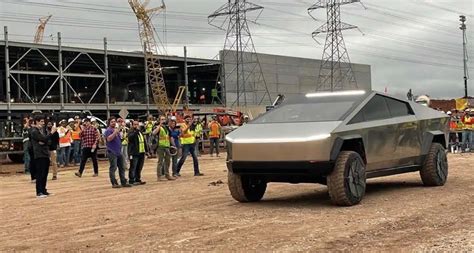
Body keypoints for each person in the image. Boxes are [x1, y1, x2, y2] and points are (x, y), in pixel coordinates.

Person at [30, 115, 56, 198]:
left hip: (45, 154)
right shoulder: (34, 131)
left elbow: (48, 141)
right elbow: (44, 139)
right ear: (37, 121)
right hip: (39, 154)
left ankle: (44, 190)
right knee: (40, 173)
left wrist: (44, 140)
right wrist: (50, 134)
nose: (43, 123)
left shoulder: (42, 131)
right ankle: (39, 192)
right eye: (41, 121)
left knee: (45, 173)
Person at [104, 117, 131, 188]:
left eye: (114, 121)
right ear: (109, 123)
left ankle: (123, 182)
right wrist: (115, 132)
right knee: (113, 167)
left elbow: (120, 139)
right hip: (112, 152)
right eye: (112, 122)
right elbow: (109, 139)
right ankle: (114, 183)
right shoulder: (108, 130)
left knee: (121, 167)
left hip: (119, 151)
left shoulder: (116, 130)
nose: (113, 123)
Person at [153, 116, 176, 181]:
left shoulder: (167, 128)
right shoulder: (158, 127)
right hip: (160, 146)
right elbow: (154, 133)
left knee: (168, 161)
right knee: (160, 162)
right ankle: (159, 176)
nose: (163, 120)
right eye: (162, 119)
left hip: (167, 146)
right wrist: (159, 125)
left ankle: (167, 175)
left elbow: (170, 137)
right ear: (159, 120)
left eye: (164, 119)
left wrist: (173, 145)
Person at [128, 120, 147, 185]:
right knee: (133, 166)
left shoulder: (140, 132)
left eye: (137, 124)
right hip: (134, 152)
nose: (136, 126)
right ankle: (131, 180)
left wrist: (146, 150)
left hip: (141, 152)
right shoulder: (131, 131)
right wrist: (136, 131)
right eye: (135, 124)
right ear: (132, 125)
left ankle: (137, 179)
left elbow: (143, 141)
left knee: (139, 167)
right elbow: (130, 138)